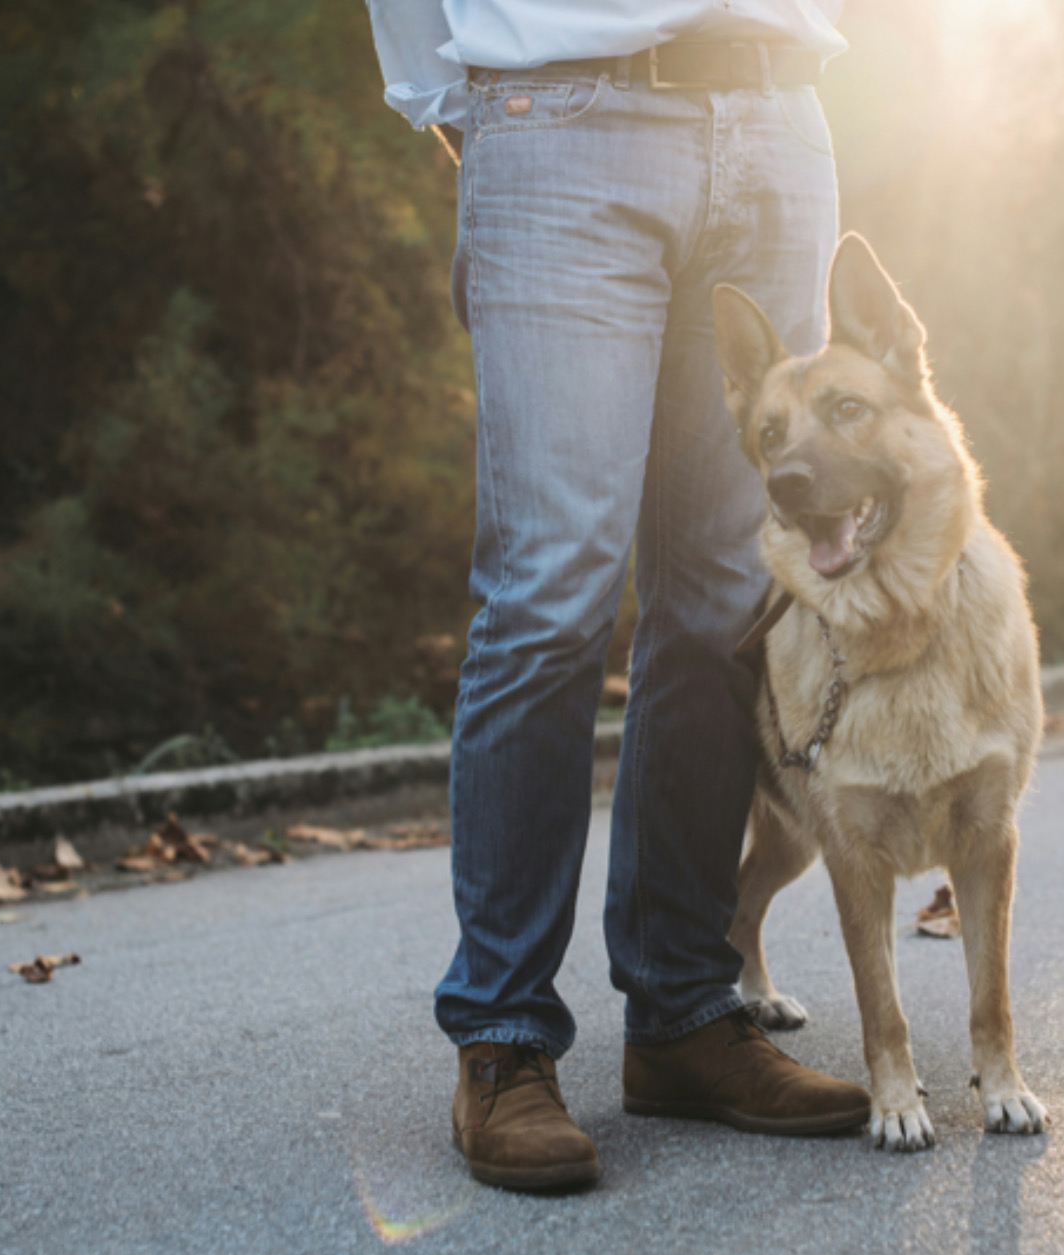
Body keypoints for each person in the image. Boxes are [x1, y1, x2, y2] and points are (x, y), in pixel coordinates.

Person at [364, 1, 870, 1192]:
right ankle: (501, 1034)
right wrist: (461, 104)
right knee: (551, 587)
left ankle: (685, 1011)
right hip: (557, 119)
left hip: (775, 117)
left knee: (723, 597)